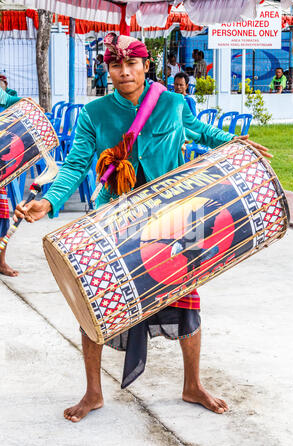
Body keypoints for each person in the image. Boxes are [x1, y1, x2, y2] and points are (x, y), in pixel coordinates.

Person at [14, 33, 272, 423]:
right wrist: (49, 200)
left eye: (132, 63)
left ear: (145, 65)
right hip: (113, 220)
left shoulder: (171, 102)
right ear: (108, 70)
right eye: (116, 65)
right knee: (94, 303)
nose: (124, 72)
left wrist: (238, 144)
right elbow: (76, 164)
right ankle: (93, 393)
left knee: (188, 301)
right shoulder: (95, 113)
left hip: (170, 218)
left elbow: (200, 131)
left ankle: (192, 385)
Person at [0, 86, 20, 277]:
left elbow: (20, 103)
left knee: (2, 216)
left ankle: (1, 262)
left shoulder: (1, 96)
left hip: (0, 163)